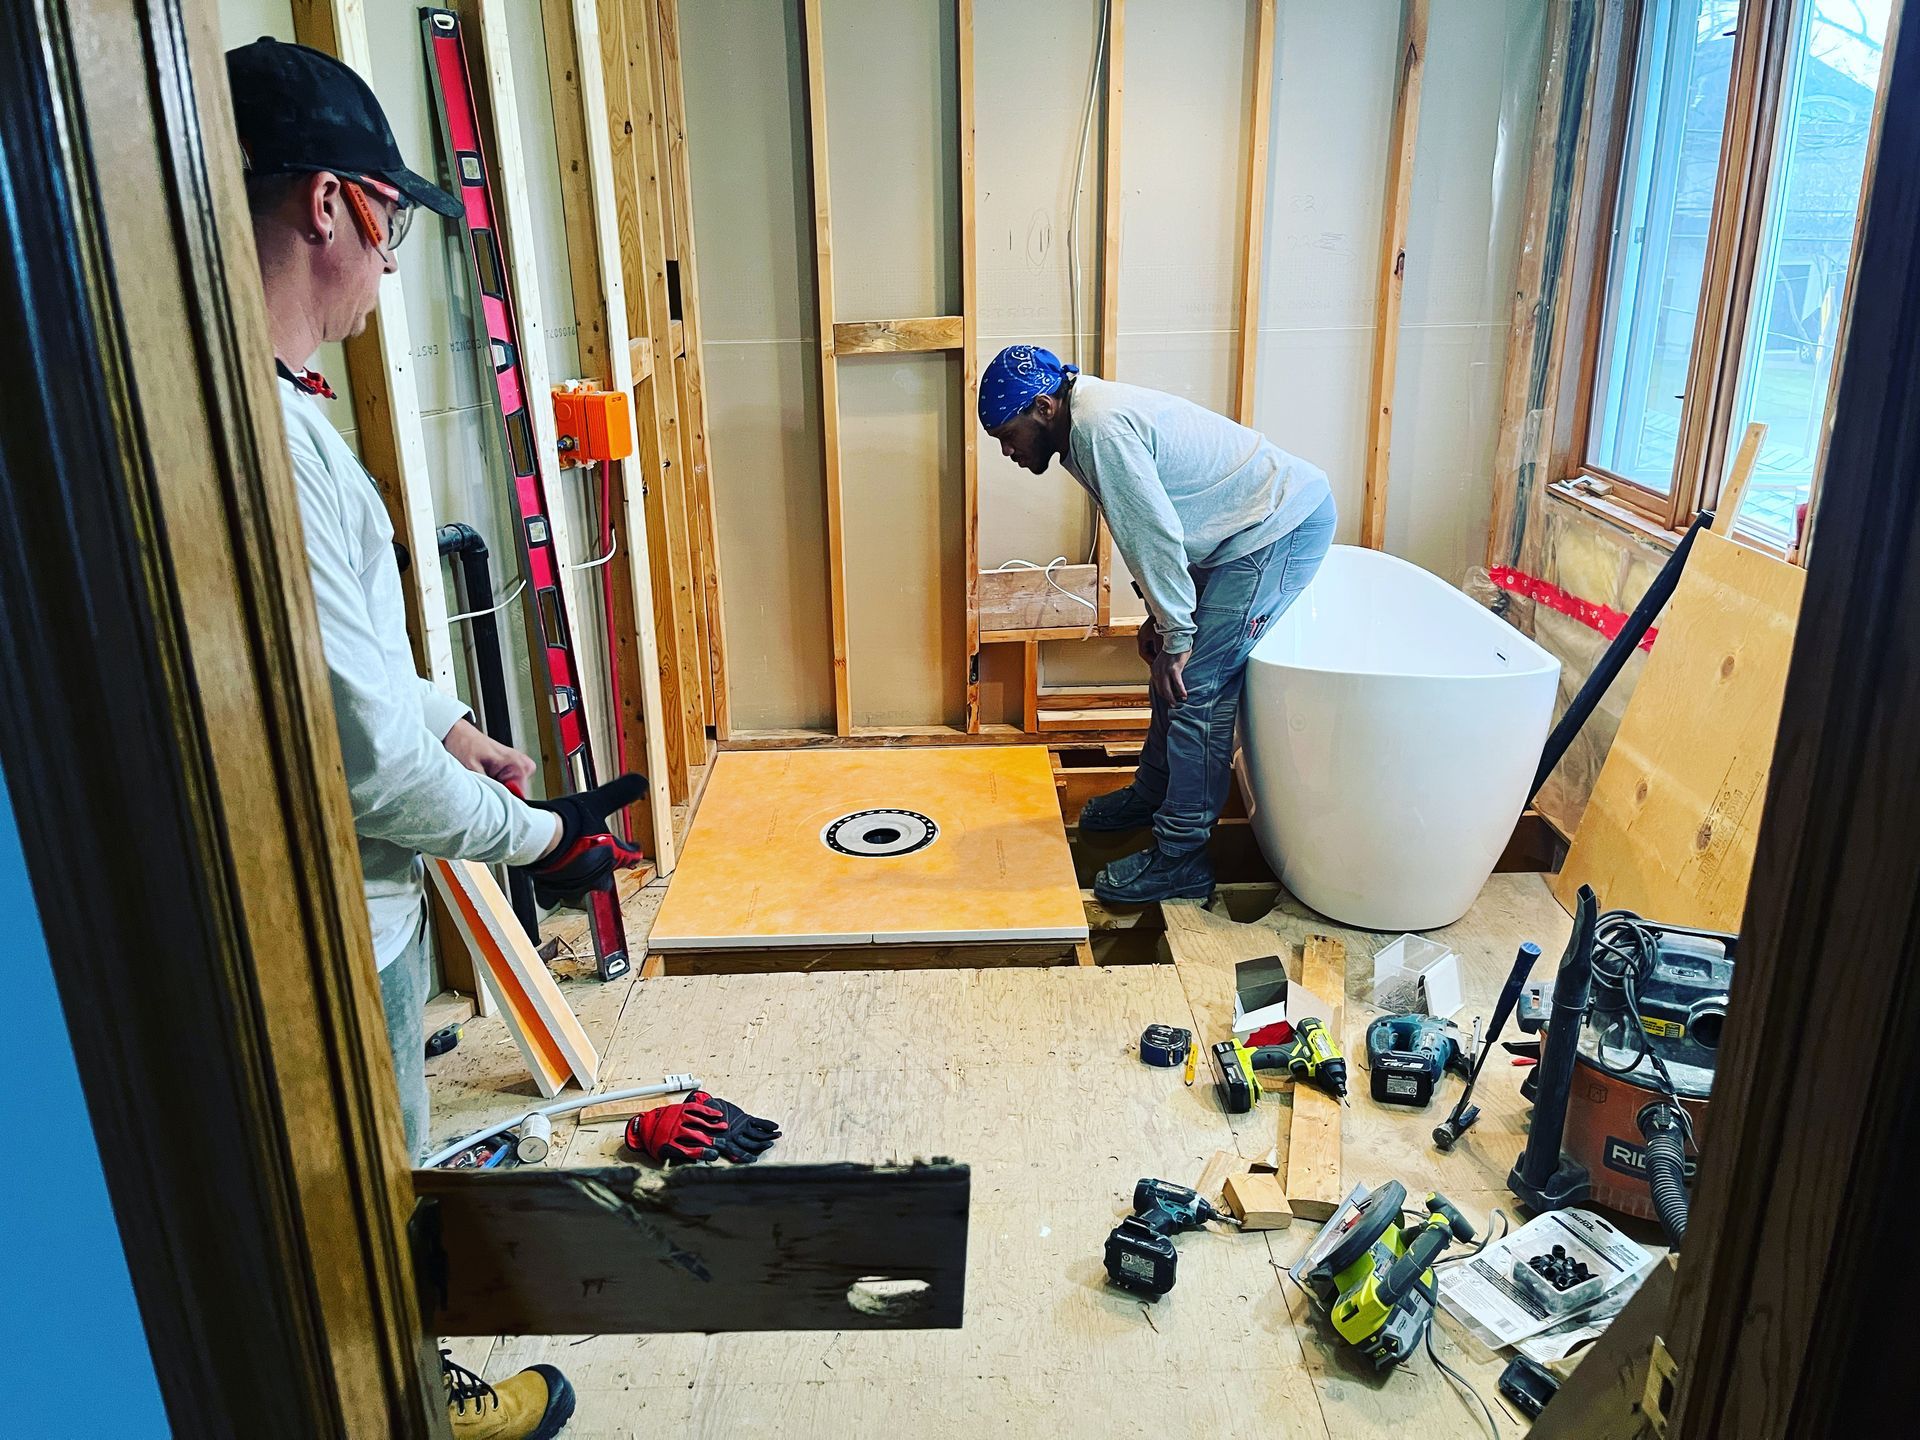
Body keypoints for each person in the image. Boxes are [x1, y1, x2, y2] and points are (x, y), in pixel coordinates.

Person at [227, 36, 626, 1439]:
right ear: (327, 204)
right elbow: (368, 767)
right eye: (389, 222)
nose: (393, 261)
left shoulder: (265, 410)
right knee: (373, 1180)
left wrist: (457, 725)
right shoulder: (262, 437)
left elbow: (358, 689)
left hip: (351, 896)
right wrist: (544, 840)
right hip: (350, 920)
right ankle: (411, 1404)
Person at [981, 344, 1337, 904]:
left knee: (1196, 688)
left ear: (1045, 408)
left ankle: (1182, 857)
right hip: (1233, 532)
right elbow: (1157, 520)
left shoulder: (1101, 429)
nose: (1006, 450)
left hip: (1278, 526)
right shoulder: (1084, 422)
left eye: (1008, 434)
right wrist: (1160, 615)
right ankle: (1154, 792)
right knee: (1170, 671)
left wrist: (1178, 632)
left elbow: (1153, 533)